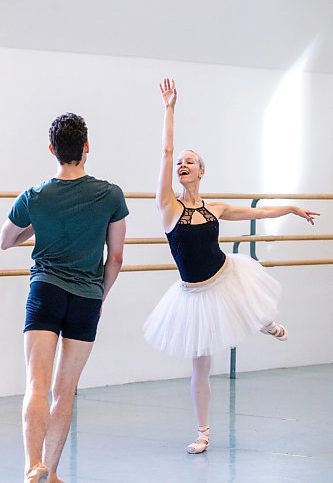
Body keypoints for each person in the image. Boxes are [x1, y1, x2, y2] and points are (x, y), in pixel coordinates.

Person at [144, 79, 319, 455]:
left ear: (201, 171)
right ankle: (203, 432)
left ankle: (267, 322)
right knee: (201, 366)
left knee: (247, 303)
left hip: (227, 275)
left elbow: (257, 211)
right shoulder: (168, 208)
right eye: (179, 163)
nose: (181, 165)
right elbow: (165, 150)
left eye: (189, 161)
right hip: (193, 295)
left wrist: (290, 208)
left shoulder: (216, 207)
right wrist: (169, 109)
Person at [0, 113, 129, 482]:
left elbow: (5, 240)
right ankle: (53, 472)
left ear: (52, 149)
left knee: (36, 384)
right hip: (86, 298)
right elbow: (116, 257)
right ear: (86, 147)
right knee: (64, 390)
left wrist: (36, 227)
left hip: (46, 292)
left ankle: (32, 465)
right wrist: (98, 297)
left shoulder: (35, 196)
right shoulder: (110, 194)